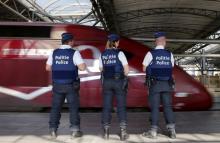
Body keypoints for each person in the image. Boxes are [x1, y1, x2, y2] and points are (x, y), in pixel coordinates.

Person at [46, 32, 86, 139]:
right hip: (71, 85)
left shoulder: (54, 52)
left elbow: (48, 68)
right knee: (73, 108)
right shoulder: (74, 53)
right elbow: (82, 68)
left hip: (57, 85)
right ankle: (75, 131)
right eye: (73, 41)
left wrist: (59, 65)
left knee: (55, 108)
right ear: (70, 41)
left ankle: (53, 130)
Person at [142, 32, 176, 139]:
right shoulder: (169, 54)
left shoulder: (150, 54)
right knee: (167, 107)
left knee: (155, 108)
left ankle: (153, 132)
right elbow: (171, 68)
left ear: (156, 41)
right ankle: (172, 131)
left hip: (155, 84)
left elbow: (144, 68)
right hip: (167, 84)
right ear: (164, 41)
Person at [99, 34, 129, 141]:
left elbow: (101, 69)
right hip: (118, 81)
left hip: (107, 82)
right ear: (116, 42)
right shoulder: (120, 53)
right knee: (121, 106)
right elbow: (126, 70)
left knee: (107, 106)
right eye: (118, 42)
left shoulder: (103, 54)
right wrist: (123, 76)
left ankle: (106, 131)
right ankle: (123, 132)